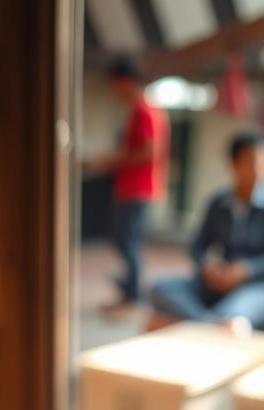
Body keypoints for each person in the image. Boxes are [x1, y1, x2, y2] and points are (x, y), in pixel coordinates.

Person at [149, 132, 264, 332]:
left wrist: (246, 269)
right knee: (161, 288)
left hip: (260, 285)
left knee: (231, 315)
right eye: (253, 163)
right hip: (219, 283)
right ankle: (208, 325)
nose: (261, 171)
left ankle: (204, 323)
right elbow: (198, 246)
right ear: (234, 164)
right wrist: (208, 266)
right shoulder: (219, 203)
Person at [91, 57, 168, 318]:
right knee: (121, 237)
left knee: (128, 240)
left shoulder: (145, 110)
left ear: (124, 81)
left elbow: (148, 152)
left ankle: (133, 297)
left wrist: (111, 160)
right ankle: (129, 291)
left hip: (138, 187)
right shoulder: (141, 109)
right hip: (131, 186)